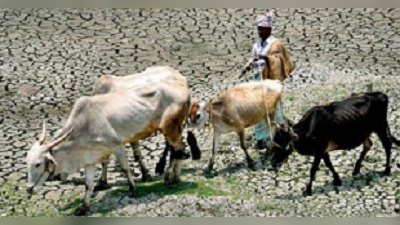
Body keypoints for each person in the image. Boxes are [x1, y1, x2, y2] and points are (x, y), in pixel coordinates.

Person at [240, 12, 294, 150]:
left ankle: (281, 133)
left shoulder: (276, 44)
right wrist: (248, 66)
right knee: (257, 108)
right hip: (258, 80)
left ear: (269, 30)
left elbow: (277, 59)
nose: (260, 32)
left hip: (271, 81)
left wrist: (265, 58)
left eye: (263, 29)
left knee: (274, 108)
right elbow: (254, 58)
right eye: (259, 29)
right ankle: (261, 138)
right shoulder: (256, 45)